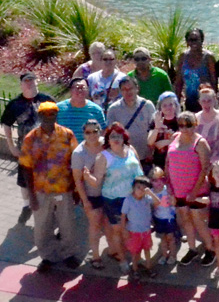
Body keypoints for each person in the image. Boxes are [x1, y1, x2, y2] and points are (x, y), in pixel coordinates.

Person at [22, 101, 79, 271]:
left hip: (64, 189)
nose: (48, 117)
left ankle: (68, 254)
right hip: (41, 191)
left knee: (67, 224)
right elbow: (26, 167)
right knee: (42, 226)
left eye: (52, 114)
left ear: (56, 115)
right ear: (39, 116)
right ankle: (47, 256)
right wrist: (31, 196)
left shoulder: (67, 135)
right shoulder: (30, 138)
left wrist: (76, 189)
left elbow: (74, 162)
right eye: (44, 114)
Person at [2, 71, 56, 225]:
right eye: (26, 81)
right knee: (24, 182)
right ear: (21, 85)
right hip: (25, 151)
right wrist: (11, 146)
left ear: (36, 82)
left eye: (32, 80)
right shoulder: (15, 104)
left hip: (47, 151)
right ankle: (26, 206)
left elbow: (58, 120)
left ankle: (50, 210)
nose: (29, 83)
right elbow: (6, 123)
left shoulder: (47, 99)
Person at [89, 123, 143, 271]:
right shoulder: (104, 156)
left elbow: (140, 172)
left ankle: (135, 258)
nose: (116, 139)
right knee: (118, 230)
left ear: (124, 136)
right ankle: (122, 259)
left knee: (134, 229)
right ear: (108, 138)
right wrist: (86, 176)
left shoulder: (131, 150)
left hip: (133, 198)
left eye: (119, 135)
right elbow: (97, 182)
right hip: (114, 200)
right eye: (113, 136)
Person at [166, 110, 215, 267]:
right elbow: (167, 163)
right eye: (181, 125)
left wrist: (194, 192)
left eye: (188, 125)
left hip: (196, 191)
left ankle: (210, 249)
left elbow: (205, 168)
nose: (184, 129)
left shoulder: (200, 143)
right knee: (185, 220)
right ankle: (192, 249)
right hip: (178, 189)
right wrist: (170, 189)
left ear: (195, 125)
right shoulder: (174, 138)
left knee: (198, 221)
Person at [71, 118, 107, 268]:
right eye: (88, 132)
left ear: (100, 131)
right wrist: (85, 201)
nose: (92, 135)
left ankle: (113, 251)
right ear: (83, 134)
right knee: (95, 225)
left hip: (109, 193)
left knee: (109, 225)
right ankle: (95, 256)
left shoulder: (107, 144)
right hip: (92, 195)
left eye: (95, 131)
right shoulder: (79, 153)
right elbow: (78, 180)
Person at [105, 75, 155, 166]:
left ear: (137, 89)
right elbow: (110, 133)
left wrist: (151, 151)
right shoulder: (114, 109)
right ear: (120, 91)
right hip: (124, 158)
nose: (128, 92)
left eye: (130, 88)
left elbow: (154, 130)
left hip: (146, 156)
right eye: (124, 89)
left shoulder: (147, 106)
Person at [120, 175, 157, 280]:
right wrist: (124, 230)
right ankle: (135, 269)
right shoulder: (128, 200)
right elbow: (123, 216)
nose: (140, 191)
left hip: (146, 230)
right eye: (138, 187)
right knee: (135, 252)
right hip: (133, 231)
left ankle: (149, 267)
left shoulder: (147, 198)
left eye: (143, 189)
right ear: (133, 188)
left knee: (147, 249)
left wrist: (151, 193)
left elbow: (158, 202)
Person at [175, 29, 217, 111]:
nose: (194, 42)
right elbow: (179, 82)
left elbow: (214, 81)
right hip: (189, 101)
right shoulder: (183, 57)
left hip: (206, 101)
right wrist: (177, 102)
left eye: (196, 39)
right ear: (187, 42)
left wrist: (214, 101)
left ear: (202, 40)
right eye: (191, 40)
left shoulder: (208, 57)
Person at [56, 77, 105, 142]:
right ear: (71, 90)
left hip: (87, 150)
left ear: (87, 90)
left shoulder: (96, 110)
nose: (80, 90)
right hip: (64, 149)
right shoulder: (58, 108)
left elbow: (103, 132)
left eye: (83, 88)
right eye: (77, 88)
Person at [149, 166, 177, 266]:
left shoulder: (167, 190)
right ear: (151, 181)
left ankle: (173, 255)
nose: (159, 182)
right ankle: (164, 255)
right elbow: (153, 206)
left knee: (171, 238)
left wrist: (172, 198)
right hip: (158, 218)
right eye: (155, 180)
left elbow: (174, 203)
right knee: (163, 239)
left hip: (169, 218)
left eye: (162, 179)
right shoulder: (150, 193)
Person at [148, 91, 180, 170]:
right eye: (164, 105)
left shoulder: (180, 121)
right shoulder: (156, 121)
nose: (168, 108)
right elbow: (150, 142)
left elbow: (182, 141)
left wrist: (164, 142)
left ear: (176, 106)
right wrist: (157, 128)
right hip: (159, 162)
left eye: (171, 105)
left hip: (177, 160)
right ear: (160, 108)